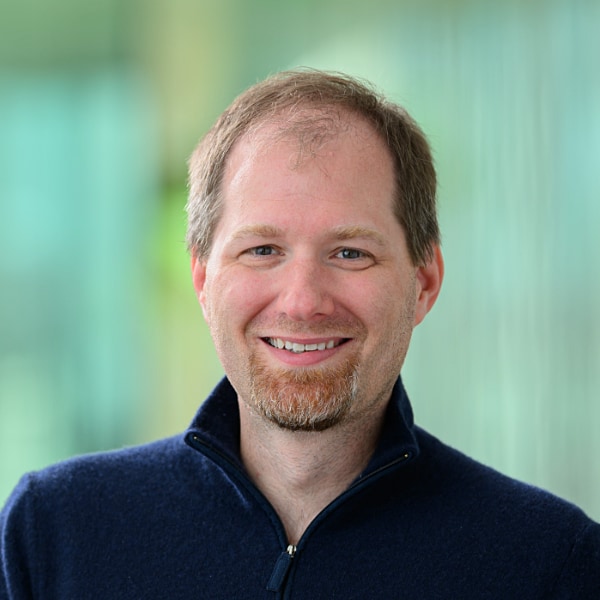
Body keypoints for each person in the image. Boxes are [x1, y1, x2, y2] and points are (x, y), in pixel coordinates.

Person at [1, 69, 599, 599]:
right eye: (262, 250)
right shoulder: (54, 534)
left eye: (349, 252)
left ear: (424, 282)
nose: (303, 301)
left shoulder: (551, 563)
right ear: (203, 280)